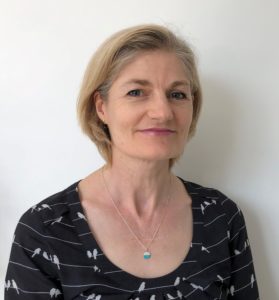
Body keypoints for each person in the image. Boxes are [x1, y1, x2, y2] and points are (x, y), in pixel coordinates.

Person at [5, 24, 260, 299]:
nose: (162, 112)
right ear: (101, 107)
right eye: (137, 92)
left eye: (177, 94)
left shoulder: (221, 217)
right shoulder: (46, 230)